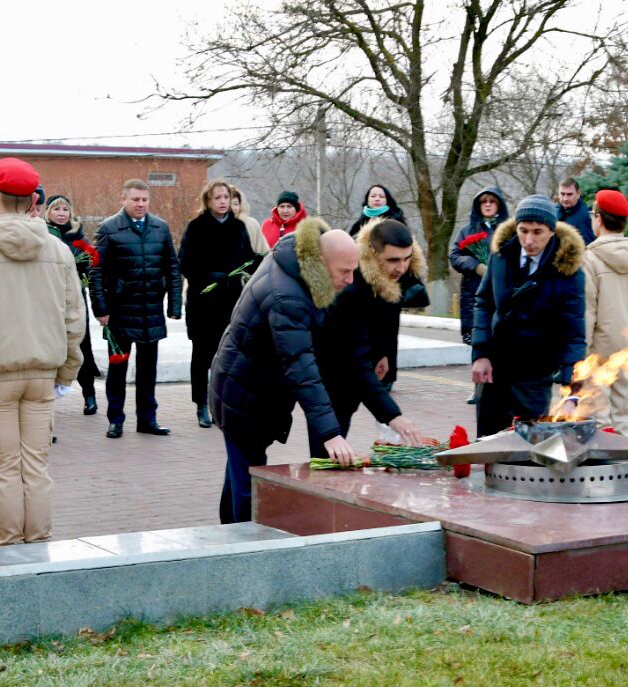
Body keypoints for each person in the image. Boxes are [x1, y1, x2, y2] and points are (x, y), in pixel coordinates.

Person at [0, 158, 85, 546]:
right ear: (32, 202)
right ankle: (39, 540)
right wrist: (67, 373)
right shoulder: (58, 251)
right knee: (37, 465)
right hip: (41, 373)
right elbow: (74, 317)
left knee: (4, 468)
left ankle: (8, 543)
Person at [210, 217, 358, 523]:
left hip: (249, 389)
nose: (350, 280)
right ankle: (241, 551)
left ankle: (224, 536)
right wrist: (330, 434)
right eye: (344, 272)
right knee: (249, 487)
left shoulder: (296, 264)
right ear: (320, 261)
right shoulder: (288, 296)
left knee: (239, 472)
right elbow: (300, 364)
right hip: (242, 398)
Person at [470, 195, 587, 437]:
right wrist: (480, 353)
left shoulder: (567, 271)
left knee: (528, 444)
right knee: (488, 442)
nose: (529, 240)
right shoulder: (501, 256)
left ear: (552, 231)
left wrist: (572, 391)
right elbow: (484, 302)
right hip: (496, 365)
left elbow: (573, 333)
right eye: (523, 231)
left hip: (535, 370)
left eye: (538, 232)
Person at [310, 218, 424, 457]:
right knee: (327, 456)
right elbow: (355, 361)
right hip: (330, 376)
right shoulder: (352, 288)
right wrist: (392, 415)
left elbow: (388, 323)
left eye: (406, 258)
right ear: (373, 253)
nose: (401, 268)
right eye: (393, 260)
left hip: (354, 371)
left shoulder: (393, 277)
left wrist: (383, 355)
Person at [89, 179, 181, 438]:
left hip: (150, 309)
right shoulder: (108, 229)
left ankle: (147, 419)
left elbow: (173, 269)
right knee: (118, 368)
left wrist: (175, 305)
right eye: (135, 200)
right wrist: (101, 309)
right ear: (123, 199)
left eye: (144, 200)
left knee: (148, 369)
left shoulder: (160, 228)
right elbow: (95, 271)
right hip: (120, 312)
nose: (140, 204)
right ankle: (115, 419)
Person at [179, 179, 260, 428]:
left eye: (226, 197)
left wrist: (255, 264)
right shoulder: (196, 227)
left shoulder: (238, 227)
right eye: (217, 197)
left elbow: (247, 258)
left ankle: (222, 402)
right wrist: (209, 276)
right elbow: (185, 263)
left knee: (227, 355)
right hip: (203, 302)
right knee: (202, 355)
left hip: (230, 301)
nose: (223, 201)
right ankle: (201, 404)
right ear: (208, 200)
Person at [581, 189, 628, 436]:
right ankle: (622, 472)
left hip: (598, 355)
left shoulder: (590, 260)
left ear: (599, 219)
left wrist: (579, 356)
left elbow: (587, 313)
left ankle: (601, 475)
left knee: (598, 423)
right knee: (622, 422)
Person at [450, 185, 509, 403]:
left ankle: (498, 384)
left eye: (491, 201)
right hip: (474, 293)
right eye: (483, 201)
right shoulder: (468, 231)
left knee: (499, 338)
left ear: (499, 205)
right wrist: (476, 266)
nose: (487, 205)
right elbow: (455, 256)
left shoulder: (508, 230)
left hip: (500, 293)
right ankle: (479, 386)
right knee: (478, 339)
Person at [45, 194, 101, 416]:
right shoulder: (42, 236)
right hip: (50, 301)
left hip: (76, 302)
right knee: (51, 349)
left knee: (81, 346)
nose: (61, 213)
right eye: (56, 209)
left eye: (65, 209)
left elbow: (93, 265)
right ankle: (46, 397)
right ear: (47, 212)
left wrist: (85, 275)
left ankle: (89, 394)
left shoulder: (78, 239)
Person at [229, 185, 270, 256]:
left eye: (236, 204)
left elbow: (265, 253)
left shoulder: (252, 224)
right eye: (228, 204)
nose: (232, 208)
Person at [557, 177, 595, 246]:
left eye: (569, 194)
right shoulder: (554, 211)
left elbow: (588, 245)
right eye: (562, 194)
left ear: (578, 194)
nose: (565, 199)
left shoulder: (586, 216)